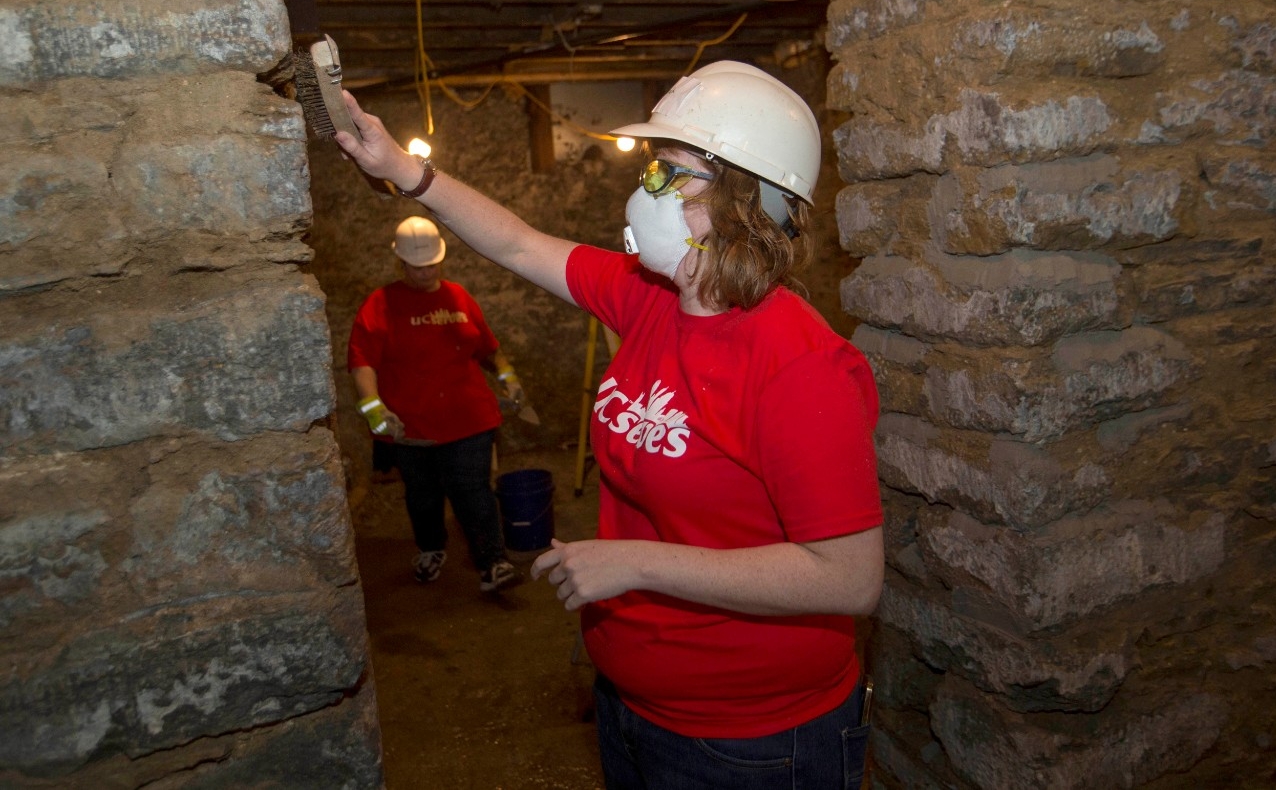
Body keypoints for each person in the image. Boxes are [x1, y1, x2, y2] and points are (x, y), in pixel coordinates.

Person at [336, 61, 884, 789]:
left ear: (745, 203)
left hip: (754, 740)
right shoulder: (648, 298)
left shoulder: (802, 365)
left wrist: (634, 562)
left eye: (670, 174)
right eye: (653, 168)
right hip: (631, 705)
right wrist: (406, 171)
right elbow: (520, 243)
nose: (644, 190)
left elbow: (849, 579)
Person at [348, 215, 523, 593]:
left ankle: (493, 562)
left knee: (474, 491)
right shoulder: (381, 304)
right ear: (400, 262)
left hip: (470, 419)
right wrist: (373, 408)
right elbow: (362, 361)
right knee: (422, 494)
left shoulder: (458, 297)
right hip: (413, 428)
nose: (425, 273)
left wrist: (509, 378)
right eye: (416, 266)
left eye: (430, 265)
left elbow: (489, 349)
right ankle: (431, 548)